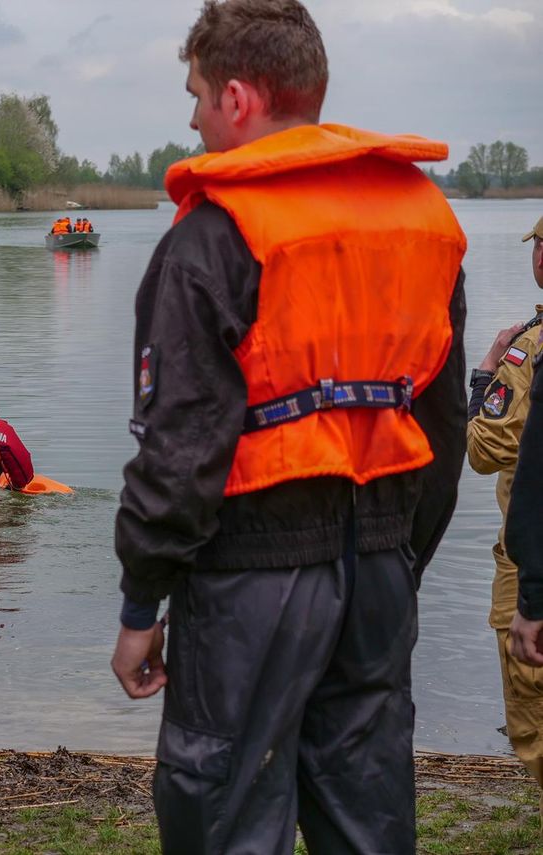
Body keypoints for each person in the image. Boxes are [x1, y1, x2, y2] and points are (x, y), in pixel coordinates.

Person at [109, 2, 467, 853]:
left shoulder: (215, 234)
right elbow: (441, 426)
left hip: (249, 581)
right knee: (367, 810)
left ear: (238, 98)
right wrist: (400, 553)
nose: (192, 117)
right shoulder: (423, 225)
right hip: (379, 564)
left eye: (196, 95)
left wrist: (139, 600)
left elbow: (180, 450)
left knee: (224, 809)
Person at [468, 214, 543, 809]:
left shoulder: (527, 349)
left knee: (534, 723)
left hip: (531, 565)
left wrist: (486, 373)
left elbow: (484, 450)